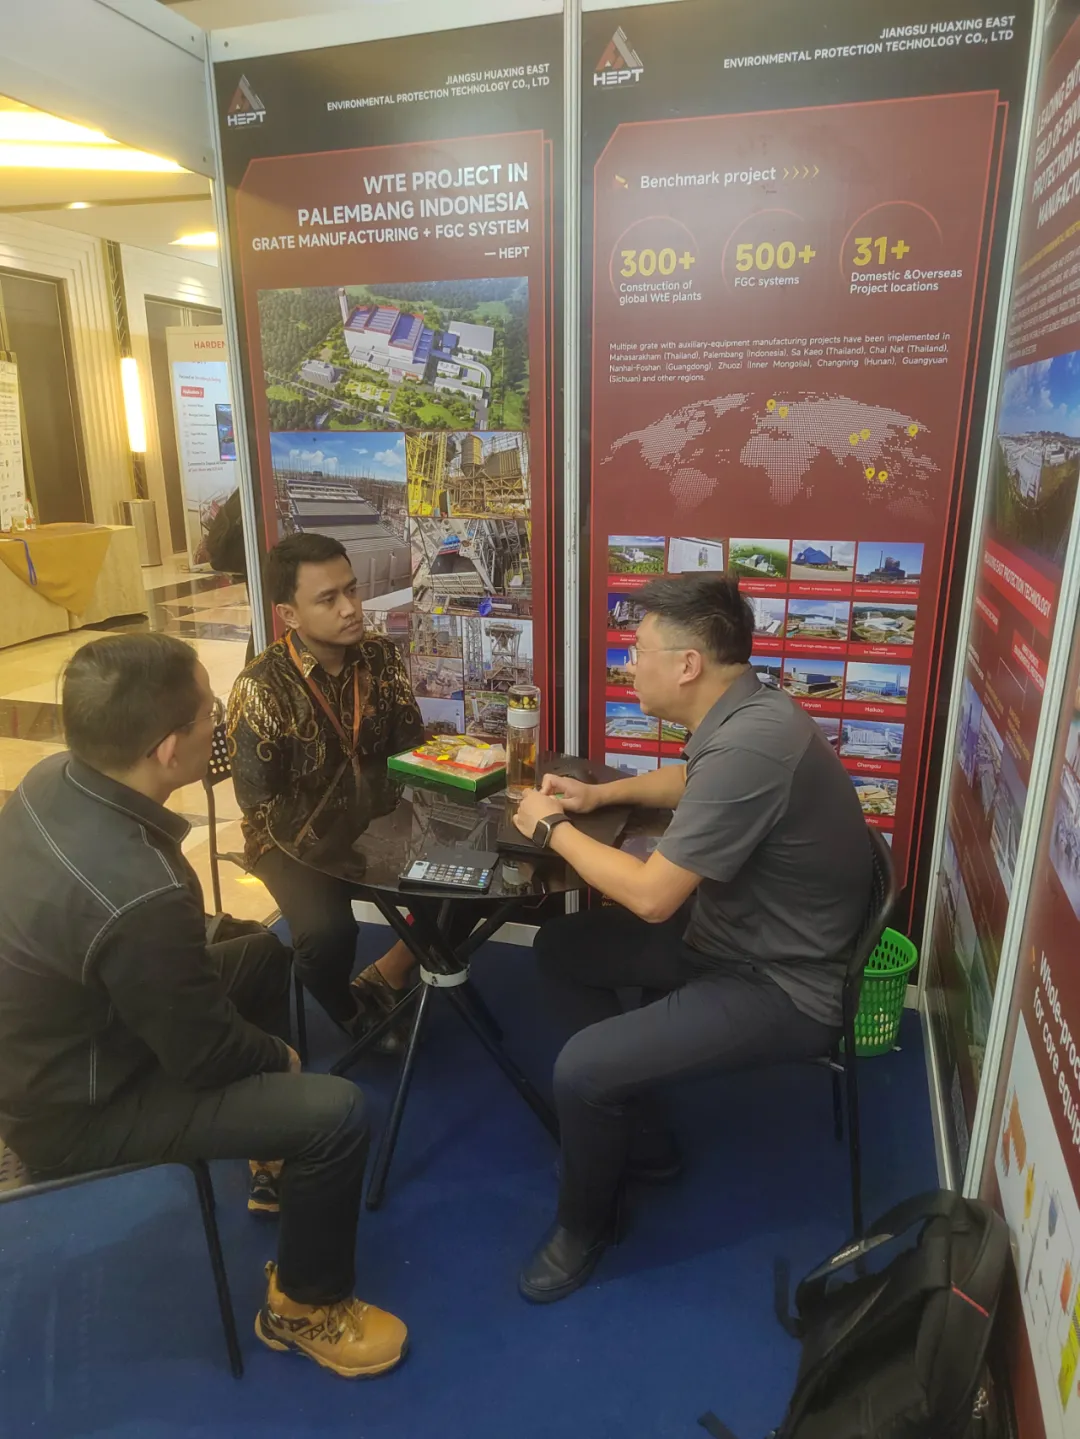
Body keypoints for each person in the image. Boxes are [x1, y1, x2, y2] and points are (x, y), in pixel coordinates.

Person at [0, 633, 407, 1376]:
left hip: (77, 1028)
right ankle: (304, 1306)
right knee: (337, 1114)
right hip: (78, 1105)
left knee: (262, 957)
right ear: (166, 749)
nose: (220, 724)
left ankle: (269, 1145)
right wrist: (278, 1059)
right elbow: (202, 1052)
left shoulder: (52, 778)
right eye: (209, 714)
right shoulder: (141, 891)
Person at [512, 574, 872, 1303]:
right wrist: (602, 793)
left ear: (688, 665)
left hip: (783, 983)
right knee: (561, 950)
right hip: (735, 934)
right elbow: (693, 781)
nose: (628, 665)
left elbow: (651, 898)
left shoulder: (754, 743)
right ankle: (639, 1133)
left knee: (580, 1069)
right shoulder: (750, 714)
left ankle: (584, 1226)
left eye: (637, 650)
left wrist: (549, 828)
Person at [227, 533, 432, 1045]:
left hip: (379, 822)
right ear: (288, 614)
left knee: (470, 880)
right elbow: (260, 805)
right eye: (328, 599)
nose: (350, 608)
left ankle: (389, 971)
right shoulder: (262, 686)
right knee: (327, 933)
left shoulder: (380, 657)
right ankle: (348, 1011)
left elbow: (411, 746)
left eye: (352, 590)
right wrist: (339, 844)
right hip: (291, 841)